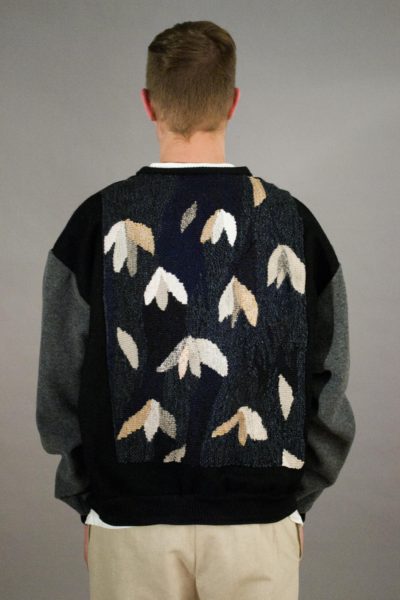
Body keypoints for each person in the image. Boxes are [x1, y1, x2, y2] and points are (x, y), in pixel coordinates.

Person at [35, 20, 356, 600]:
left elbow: (59, 384)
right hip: (259, 524)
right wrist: (291, 498)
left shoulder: (94, 224)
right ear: (233, 101)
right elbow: (329, 383)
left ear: (147, 102)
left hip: (129, 524)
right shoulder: (294, 224)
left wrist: (92, 501)